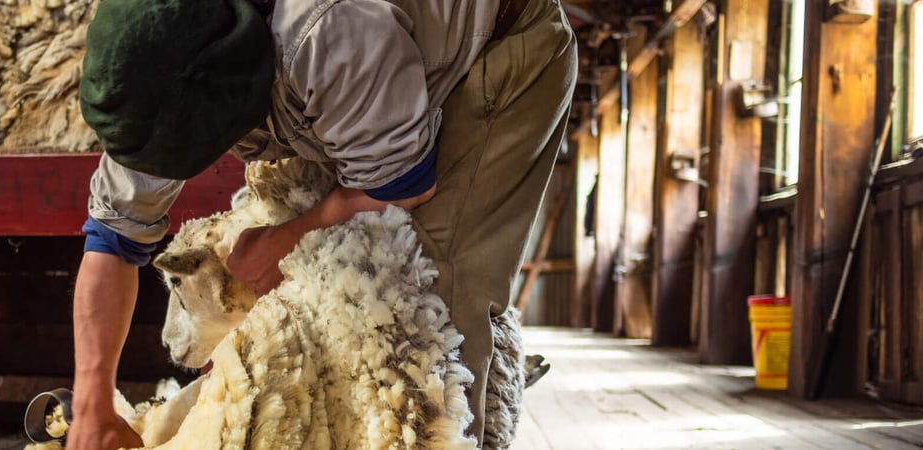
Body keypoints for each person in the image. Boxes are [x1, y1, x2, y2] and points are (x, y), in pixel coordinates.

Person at [67, 0, 577, 448]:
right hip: (363, 78)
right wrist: (93, 405)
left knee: (428, 300)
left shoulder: (324, 31)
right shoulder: (150, 70)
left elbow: (403, 189)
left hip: (494, 44)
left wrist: (284, 238)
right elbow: (112, 240)